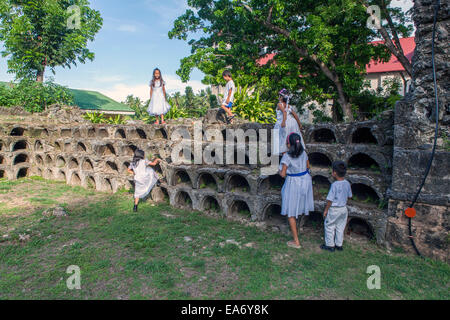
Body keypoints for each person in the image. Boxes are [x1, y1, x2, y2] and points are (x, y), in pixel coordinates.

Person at [279, 133, 314, 249]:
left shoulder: (286, 156)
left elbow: (283, 174)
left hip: (294, 183)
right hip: (305, 181)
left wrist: (281, 171)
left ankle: (296, 241)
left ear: (289, 144)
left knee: (290, 212)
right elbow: (308, 166)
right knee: (300, 205)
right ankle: (299, 229)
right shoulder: (304, 153)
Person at [321, 161, 353, 252]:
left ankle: (330, 245)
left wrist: (326, 210)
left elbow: (330, 200)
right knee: (340, 226)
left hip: (334, 209)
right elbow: (350, 196)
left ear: (334, 173)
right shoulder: (347, 183)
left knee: (329, 226)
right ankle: (339, 245)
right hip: (343, 209)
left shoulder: (334, 185)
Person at [273, 89, 305, 155]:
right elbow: (295, 115)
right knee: (291, 140)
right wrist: (299, 124)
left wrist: (283, 122)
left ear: (281, 97)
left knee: (282, 140)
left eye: (279, 96)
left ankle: (285, 158)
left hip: (284, 123)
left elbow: (284, 112)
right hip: (292, 122)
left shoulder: (279, 104)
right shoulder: (289, 106)